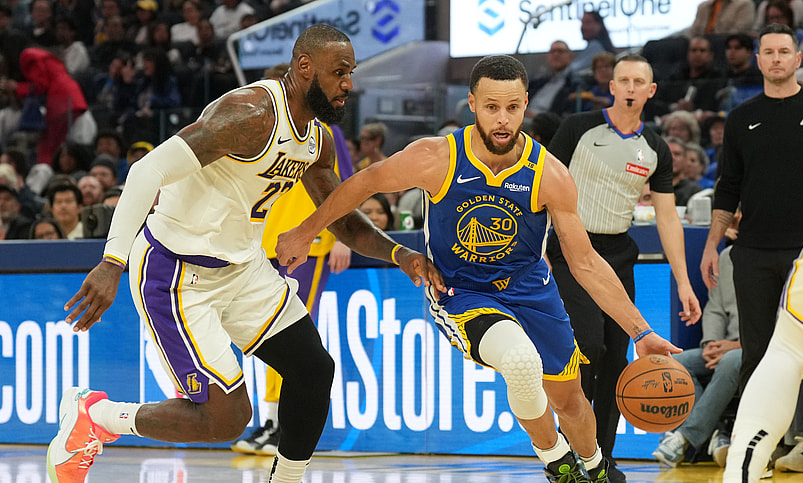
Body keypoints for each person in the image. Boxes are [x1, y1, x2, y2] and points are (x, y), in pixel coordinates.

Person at [52, 25, 442, 483]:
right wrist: (112, 261)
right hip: (176, 273)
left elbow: (342, 219)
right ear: (304, 68)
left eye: (350, 73)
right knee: (227, 417)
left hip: (244, 269)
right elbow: (146, 169)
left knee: (314, 370)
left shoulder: (316, 142)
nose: (348, 85)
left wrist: (400, 254)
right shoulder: (250, 114)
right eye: (339, 73)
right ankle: (97, 416)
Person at [275, 54, 683, 483]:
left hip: (531, 289)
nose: (502, 119)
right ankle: (558, 462)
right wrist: (305, 232)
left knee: (571, 401)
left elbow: (585, 263)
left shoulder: (550, 174)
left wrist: (642, 331)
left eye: (512, 107)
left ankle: (596, 471)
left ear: (526, 104)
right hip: (463, 293)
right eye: (491, 107)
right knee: (521, 363)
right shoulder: (435, 157)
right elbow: (362, 183)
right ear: (472, 104)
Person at [700, 23, 803, 481]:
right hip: (755, 253)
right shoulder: (742, 117)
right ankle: (755, 452)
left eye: (785, 51)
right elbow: (728, 187)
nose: (777, 58)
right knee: (758, 353)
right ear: (759, 60)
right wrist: (711, 244)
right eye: (769, 52)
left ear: (798, 59)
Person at [546, 54, 702, 482]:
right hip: (569, 250)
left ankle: (602, 460)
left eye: (639, 82)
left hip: (618, 253)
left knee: (618, 359)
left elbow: (669, 218)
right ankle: (574, 451)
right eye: (624, 80)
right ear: (611, 86)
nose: (631, 87)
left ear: (651, 91)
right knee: (589, 346)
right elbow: (540, 183)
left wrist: (684, 281)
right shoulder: (577, 128)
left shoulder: (656, 147)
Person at [230, 61, 355, 457]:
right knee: (262, 340)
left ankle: (276, 424)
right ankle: (269, 421)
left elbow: (348, 188)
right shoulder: (257, 134)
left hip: (303, 248)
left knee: (285, 338)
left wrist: (341, 238)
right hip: (257, 247)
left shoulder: (324, 134)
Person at [653, 245, 741, 468]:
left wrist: (739, 345)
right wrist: (711, 342)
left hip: (760, 347)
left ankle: (682, 439)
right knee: (675, 364)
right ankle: (717, 435)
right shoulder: (728, 256)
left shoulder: (781, 254)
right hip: (723, 345)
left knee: (731, 361)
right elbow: (716, 308)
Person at [687, 0, 755, 37]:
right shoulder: (703, 6)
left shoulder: (744, 4)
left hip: (725, 42)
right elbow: (693, 30)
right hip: (702, 42)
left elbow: (740, 30)